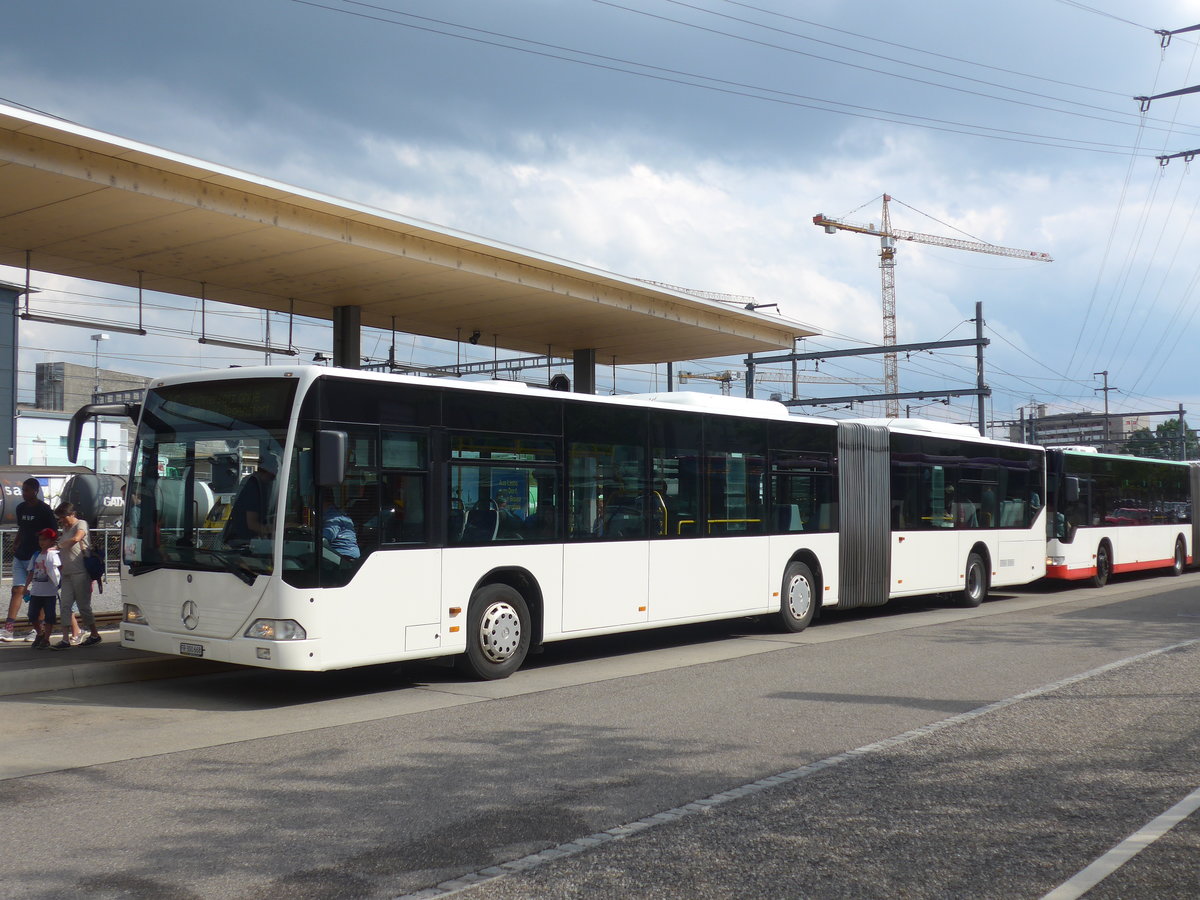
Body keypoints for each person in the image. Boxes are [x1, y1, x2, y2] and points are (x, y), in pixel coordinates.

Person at [1, 478, 57, 641]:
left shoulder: (44, 510)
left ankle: (37, 630)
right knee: (17, 590)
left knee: (38, 593)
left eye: (26, 490)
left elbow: (53, 532)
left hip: (37, 556)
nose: (24, 493)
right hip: (21, 554)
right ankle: (9, 628)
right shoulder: (20, 508)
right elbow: (22, 528)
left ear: (35, 490)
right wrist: (17, 542)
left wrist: (47, 551)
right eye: (23, 490)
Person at [54, 502, 101, 648]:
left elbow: (77, 538)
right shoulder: (65, 528)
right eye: (60, 518)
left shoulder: (81, 524)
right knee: (65, 605)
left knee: (83, 606)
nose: (61, 520)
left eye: (63, 517)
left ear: (72, 514)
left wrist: (58, 546)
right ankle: (65, 639)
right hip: (67, 573)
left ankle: (94, 634)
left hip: (80, 571)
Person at [225, 454, 278, 548]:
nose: (273, 479)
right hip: (243, 544)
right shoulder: (253, 486)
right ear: (269, 471)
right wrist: (280, 530)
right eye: (272, 477)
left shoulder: (254, 483)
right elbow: (252, 524)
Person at [24, 528, 61, 650]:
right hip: (36, 591)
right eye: (40, 539)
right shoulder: (36, 555)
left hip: (50, 592)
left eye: (45, 539)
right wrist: (26, 587)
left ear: (52, 541)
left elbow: (59, 570)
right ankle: (40, 633)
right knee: (32, 615)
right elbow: (30, 572)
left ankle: (46, 639)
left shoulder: (55, 555)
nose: (42, 542)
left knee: (49, 616)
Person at [321, 493, 360, 561]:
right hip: (346, 554)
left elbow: (326, 537)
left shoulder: (333, 517)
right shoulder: (338, 514)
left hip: (343, 557)